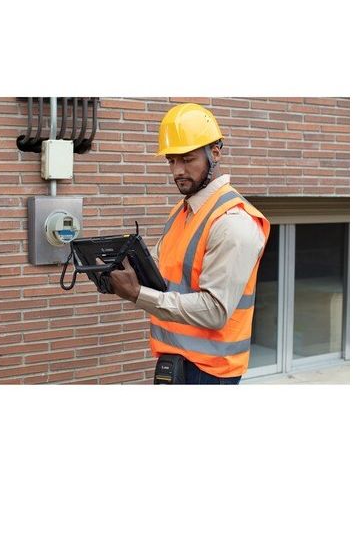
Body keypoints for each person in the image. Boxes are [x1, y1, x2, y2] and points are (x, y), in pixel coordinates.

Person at [106, 103, 270, 384]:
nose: (177, 171)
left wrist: (137, 294)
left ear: (215, 153)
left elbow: (215, 311)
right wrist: (121, 270)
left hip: (211, 373)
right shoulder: (182, 212)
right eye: (171, 161)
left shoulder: (233, 223)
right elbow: (163, 271)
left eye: (187, 159)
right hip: (175, 360)